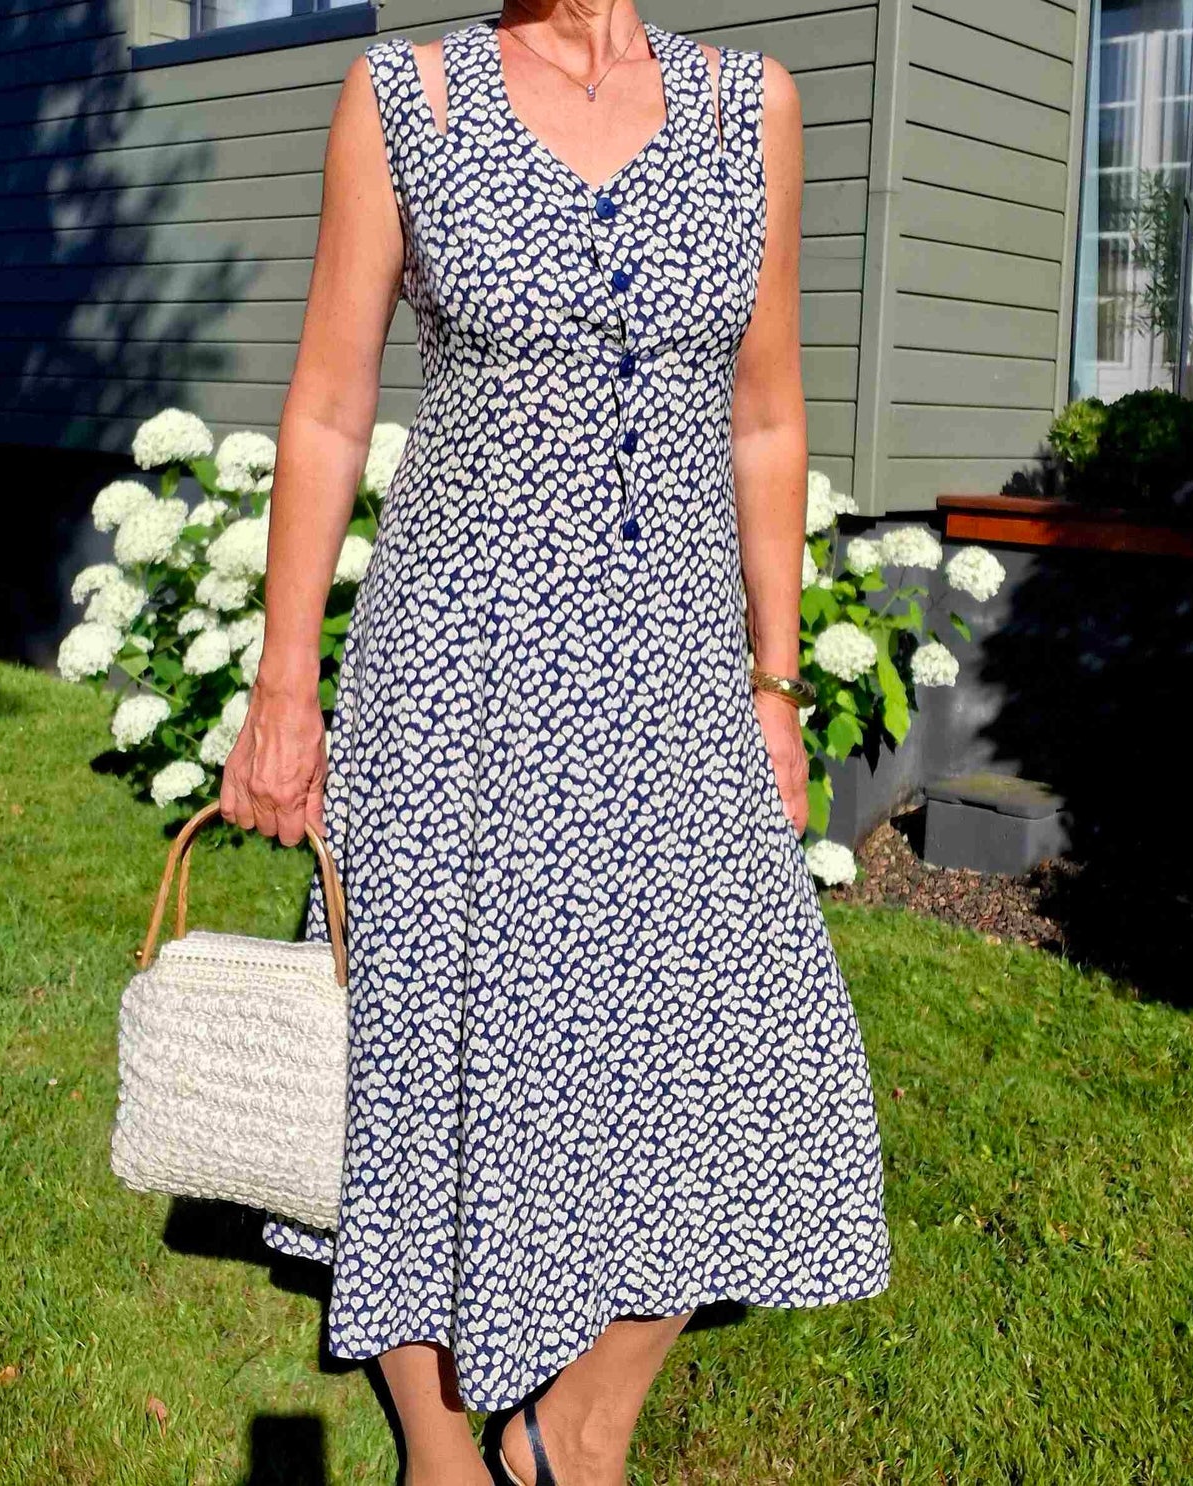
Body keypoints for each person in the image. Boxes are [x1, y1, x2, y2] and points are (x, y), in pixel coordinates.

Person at [219, 3, 892, 1481]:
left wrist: (776, 685)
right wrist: (284, 683)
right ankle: (444, 1449)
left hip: (674, 679)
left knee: (744, 1052)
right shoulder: (408, 97)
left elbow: (766, 418)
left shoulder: (749, 111)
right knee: (431, 1042)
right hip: (456, 672)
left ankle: (575, 1426)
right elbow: (331, 409)